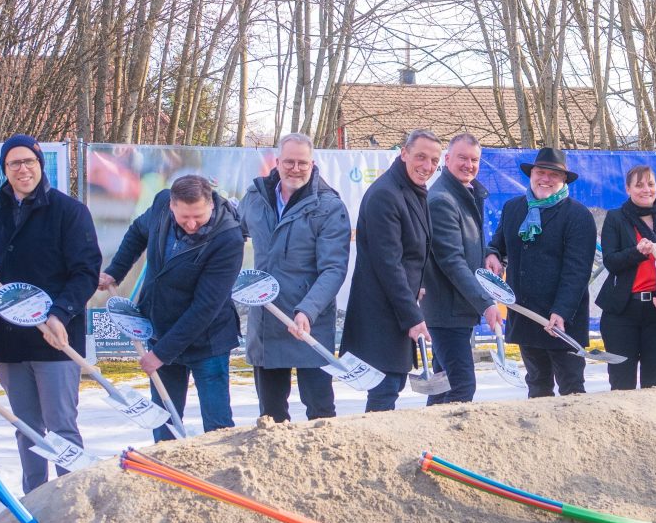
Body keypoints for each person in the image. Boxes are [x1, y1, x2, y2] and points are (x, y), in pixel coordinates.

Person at [0, 135, 101, 489]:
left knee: (61, 425)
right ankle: (34, 499)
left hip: (55, 336)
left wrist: (60, 313)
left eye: (29, 162)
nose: (22, 169)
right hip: (9, 338)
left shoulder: (69, 211)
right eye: (14, 163)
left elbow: (86, 272)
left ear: (40, 164)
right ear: (5, 169)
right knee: (26, 427)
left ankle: (71, 500)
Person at [102, 173, 245, 439]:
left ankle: (222, 476)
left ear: (211, 205)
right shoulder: (160, 206)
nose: (191, 224)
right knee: (165, 422)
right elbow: (137, 232)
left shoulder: (229, 239)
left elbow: (205, 307)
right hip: (161, 329)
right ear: (172, 206)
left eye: (198, 217)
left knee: (218, 427)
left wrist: (160, 354)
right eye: (184, 217)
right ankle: (167, 476)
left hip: (207, 341)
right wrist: (115, 272)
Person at [239, 134, 351, 423]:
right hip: (267, 320)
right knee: (271, 418)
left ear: (313, 164)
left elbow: (334, 268)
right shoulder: (255, 198)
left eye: (303, 162)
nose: (296, 168)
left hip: (308, 322)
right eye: (289, 161)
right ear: (277, 163)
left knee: (321, 414)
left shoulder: (329, 207)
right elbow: (232, 233)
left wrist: (307, 310)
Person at [342, 130, 440, 413]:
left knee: (391, 385)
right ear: (404, 153)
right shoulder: (386, 194)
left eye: (434, 160)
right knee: (385, 389)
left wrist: (417, 284)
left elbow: (411, 251)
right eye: (420, 156)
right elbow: (388, 263)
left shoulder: (411, 189)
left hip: (396, 306)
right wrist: (412, 316)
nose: (427, 166)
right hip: (381, 314)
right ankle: (373, 454)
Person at [493, 146, 599, 399]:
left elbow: (577, 271)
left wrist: (561, 311)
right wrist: (492, 254)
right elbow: (498, 243)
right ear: (532, 175)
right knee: (537, 385)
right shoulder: (513, 208)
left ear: (563, 180)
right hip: (526, 314)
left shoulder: (578, 216)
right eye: (541, 172)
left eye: (554, 175)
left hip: (562, 321)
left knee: (571, 388)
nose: (545, 179)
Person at [422, 132, 504, 405]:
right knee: (461, 387)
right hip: (447, 311)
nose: (468, 165)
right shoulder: (443, 200)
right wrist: (486, 303)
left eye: (474, 159)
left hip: (454, 309)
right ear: (447, 159)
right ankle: (446, 443)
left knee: (443, 385)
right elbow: (451, 261)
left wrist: (488, 255)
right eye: (462, 158)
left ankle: (430, 444)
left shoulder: (465, 194)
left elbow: (466, 247)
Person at [598, 164, 656, 388]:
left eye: (651, 184)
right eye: (639, 185)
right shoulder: (616, 218)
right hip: (622, 314)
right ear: (628, 189)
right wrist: (637, 252)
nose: (646, 189)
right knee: (621, 383)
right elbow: (611, 261)